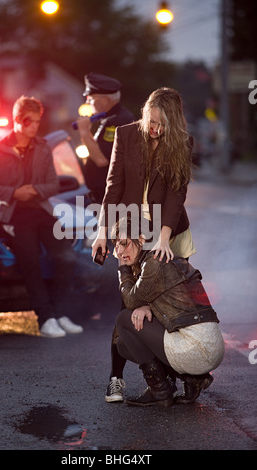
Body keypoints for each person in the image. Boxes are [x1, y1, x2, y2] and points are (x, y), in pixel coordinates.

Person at [91, 87, 197, 402]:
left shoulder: (182, 141)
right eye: (152, 122)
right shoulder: (125, 136)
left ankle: (183, 376)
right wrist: (102, 231)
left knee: (172, 308)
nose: (156, 130)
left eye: (163, 125)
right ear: (145, 112)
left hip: (169, 231)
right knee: (130, 305)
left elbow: (177, 194)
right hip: (132, 228)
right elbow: (113, 185)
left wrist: (163, 237)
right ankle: (116, 379)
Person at [0, 95, 83, 338]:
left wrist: (34, 191)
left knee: (67, 256)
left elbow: (53, 184)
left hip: (40, 209)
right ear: (16, 120)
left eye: (37, 121)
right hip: (12, 212)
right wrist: (15, 192)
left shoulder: (43, 147)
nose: (34, 126)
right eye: (29, 121)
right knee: (31, 263)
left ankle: (59, 313)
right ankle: (45, 319)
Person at [111, 217, 225, 406]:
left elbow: (130, 300)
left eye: (124, 244)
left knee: (124, 319)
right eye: (116, 246)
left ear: (141, 239)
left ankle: (160, 390)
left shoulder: (154, 262)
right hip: (209, 346)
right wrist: (146, 305)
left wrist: (123, 269)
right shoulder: (162, 258)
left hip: (197, 347)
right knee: (124, 345)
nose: (120, 251)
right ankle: (192, 379)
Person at [76, 72, 134, 203]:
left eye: (91, 99)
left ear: (105, 100)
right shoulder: (110, 119)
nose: (88, 102)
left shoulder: (118, 121)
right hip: (104, 195)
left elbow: (101, 159)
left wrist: (84, 132)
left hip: (110, 197)